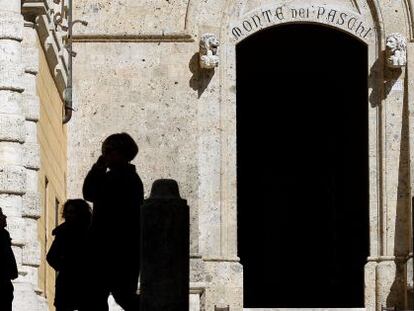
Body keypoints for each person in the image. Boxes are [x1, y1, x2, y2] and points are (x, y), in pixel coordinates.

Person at [83, 132, 143, 311]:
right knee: (102, 295)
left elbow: (90, 192)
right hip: (109, 248)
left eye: (109, 151)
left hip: (116, 249)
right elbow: (89, 193)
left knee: (121, 295)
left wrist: (98, 170)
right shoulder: (113, 177)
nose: (104, 155)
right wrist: (99, 169)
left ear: (122, 153)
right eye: (104, 151)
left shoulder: (125, 179)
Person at [47, 199, 92, 311]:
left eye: (72, 212)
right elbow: (51, 256)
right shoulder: (62, 232)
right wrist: (65, 267)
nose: (69, 215)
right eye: (67, 212)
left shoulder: (92, 231)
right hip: (66, 283)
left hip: (88, 282)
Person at [0, 207, 18, 311]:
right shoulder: (2, 236)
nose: (5, 216)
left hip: (5, 284)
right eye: (1, 214)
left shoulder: (4, 235)